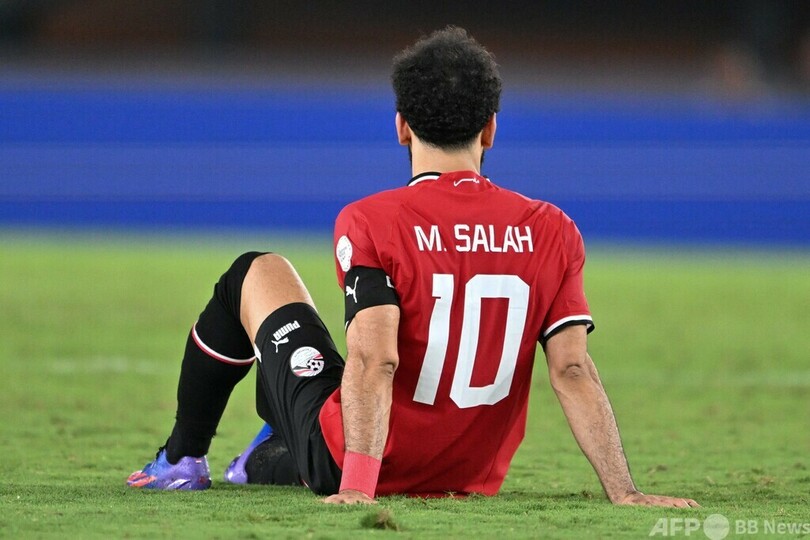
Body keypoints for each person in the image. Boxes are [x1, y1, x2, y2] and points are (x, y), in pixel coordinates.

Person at [128, 26, 699, 508]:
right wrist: (626, 493)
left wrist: (357, 487)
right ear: (490, 128)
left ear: (401, 125)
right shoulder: (553, 229)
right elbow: (571, 370)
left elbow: (376, 359)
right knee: (320, 387)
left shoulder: (372, 220)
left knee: (253, 273)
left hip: (359, 461)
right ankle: (264, 457)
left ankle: (181, 459)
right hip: (465, 476)